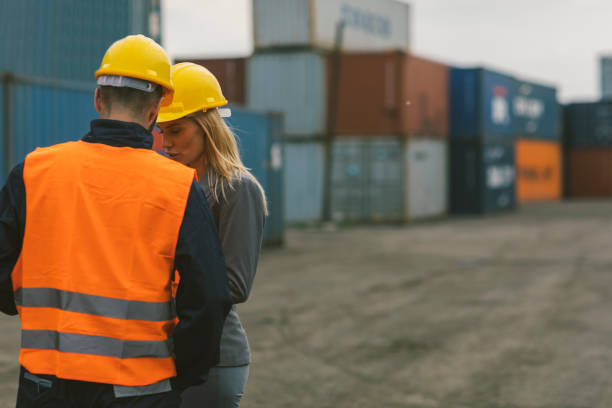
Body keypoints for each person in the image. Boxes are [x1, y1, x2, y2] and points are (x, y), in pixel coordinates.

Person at [0, 35, 233, 407]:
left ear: (97, 99)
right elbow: (209, 297)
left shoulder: (33, 171)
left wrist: (15, 302)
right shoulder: (177, 187)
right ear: (156, 110)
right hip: (140, 390)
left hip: (46, 385)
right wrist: (184, 372)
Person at [156, 62, 267, 408]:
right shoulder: (173, 186)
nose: (166, 143)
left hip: (213, 360)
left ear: (206, 126)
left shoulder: (236, 190)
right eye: (161, 131)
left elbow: (234, 285)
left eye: (176, 131)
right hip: (168, 351)